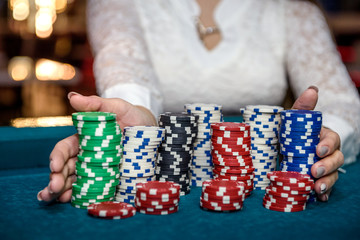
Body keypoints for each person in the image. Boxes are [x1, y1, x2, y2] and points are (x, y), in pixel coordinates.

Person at [37, 0, 360, 204]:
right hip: (163, 163)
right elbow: (125, 67)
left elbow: (344, 102)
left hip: (261, 172)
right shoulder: (118, 4)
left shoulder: (292, 9)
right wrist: (134, 117)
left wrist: (323, 138)